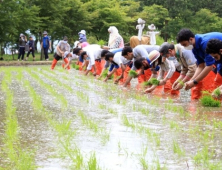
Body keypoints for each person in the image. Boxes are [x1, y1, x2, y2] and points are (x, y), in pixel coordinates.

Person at [177, 29, 222, 98]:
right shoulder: (194, 49)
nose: (184, 47)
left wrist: (194, 82)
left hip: (219, 58)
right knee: (217, 86)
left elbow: (209, 66)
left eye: (184, 44)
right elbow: (200, 66)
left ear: (191, 39)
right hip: (219, 59)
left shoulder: (205, 44)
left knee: (215, 85)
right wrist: (191, 81)